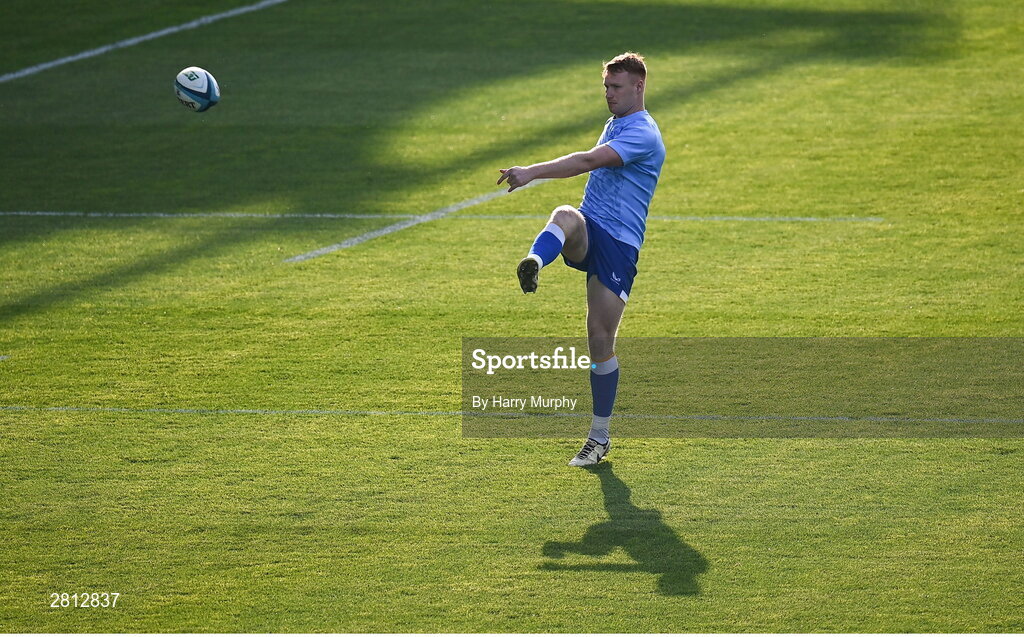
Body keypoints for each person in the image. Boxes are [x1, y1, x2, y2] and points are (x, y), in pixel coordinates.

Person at [497, 52, 666, 467]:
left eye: (617, 87)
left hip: (619, 245)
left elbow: (590, 161)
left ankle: (599, 438)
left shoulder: (642, 132)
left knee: (599, 341)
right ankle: (535, 262)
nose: (609, 95)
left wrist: (531, 170)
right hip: (591, 226)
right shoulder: (616, 121)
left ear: (639, 87)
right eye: (606, 87)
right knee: (565, 214)